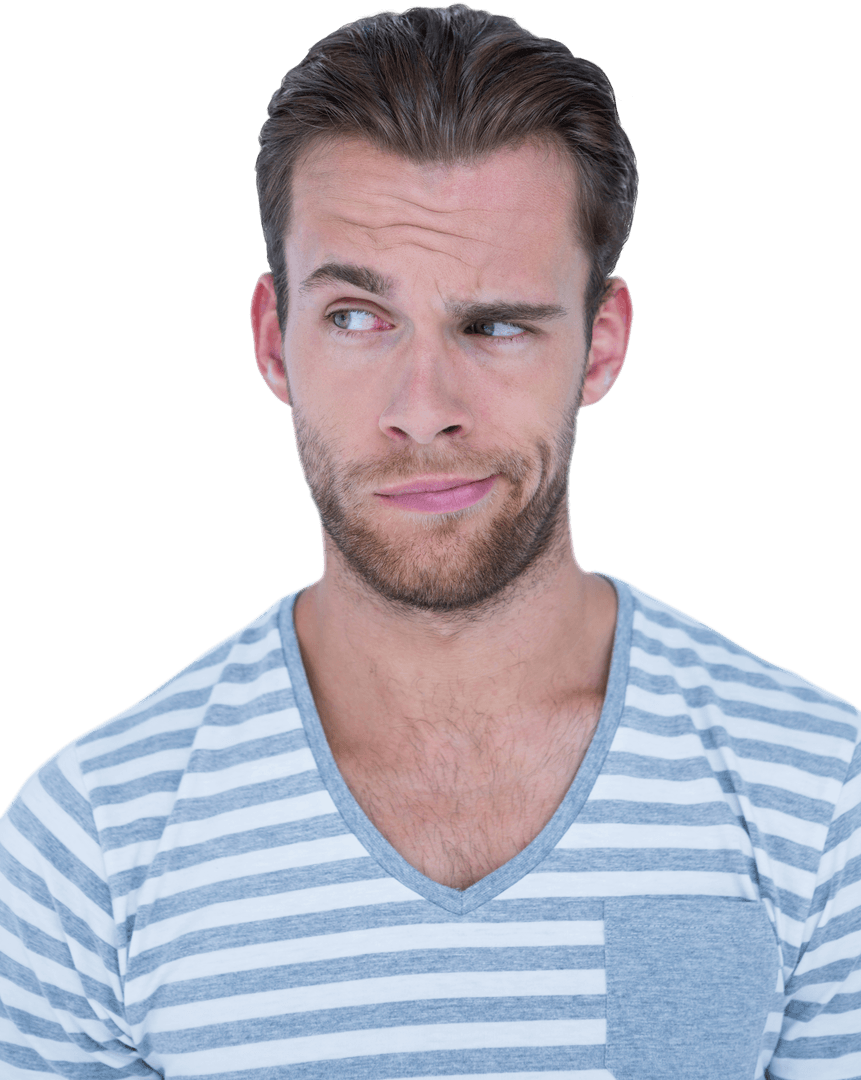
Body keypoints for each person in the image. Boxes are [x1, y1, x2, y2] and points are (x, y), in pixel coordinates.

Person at [1, 5, 858, 1078]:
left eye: (494, 324)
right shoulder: (90, 842)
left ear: (601, 345)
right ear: (275, 342)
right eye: (359, 316)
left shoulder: (822, 799)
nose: (423, 408)